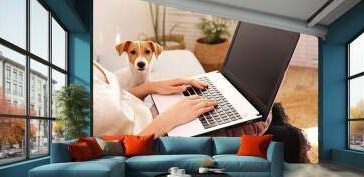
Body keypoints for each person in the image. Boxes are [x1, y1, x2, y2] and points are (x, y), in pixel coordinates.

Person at [93, 61, 271, 138]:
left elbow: (117, 100)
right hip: (155, 139)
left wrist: (150, 87)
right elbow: (115, 154)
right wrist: (168, 120)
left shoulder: (85, 57)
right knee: (264, 113)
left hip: (151, 115)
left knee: (250, 103)